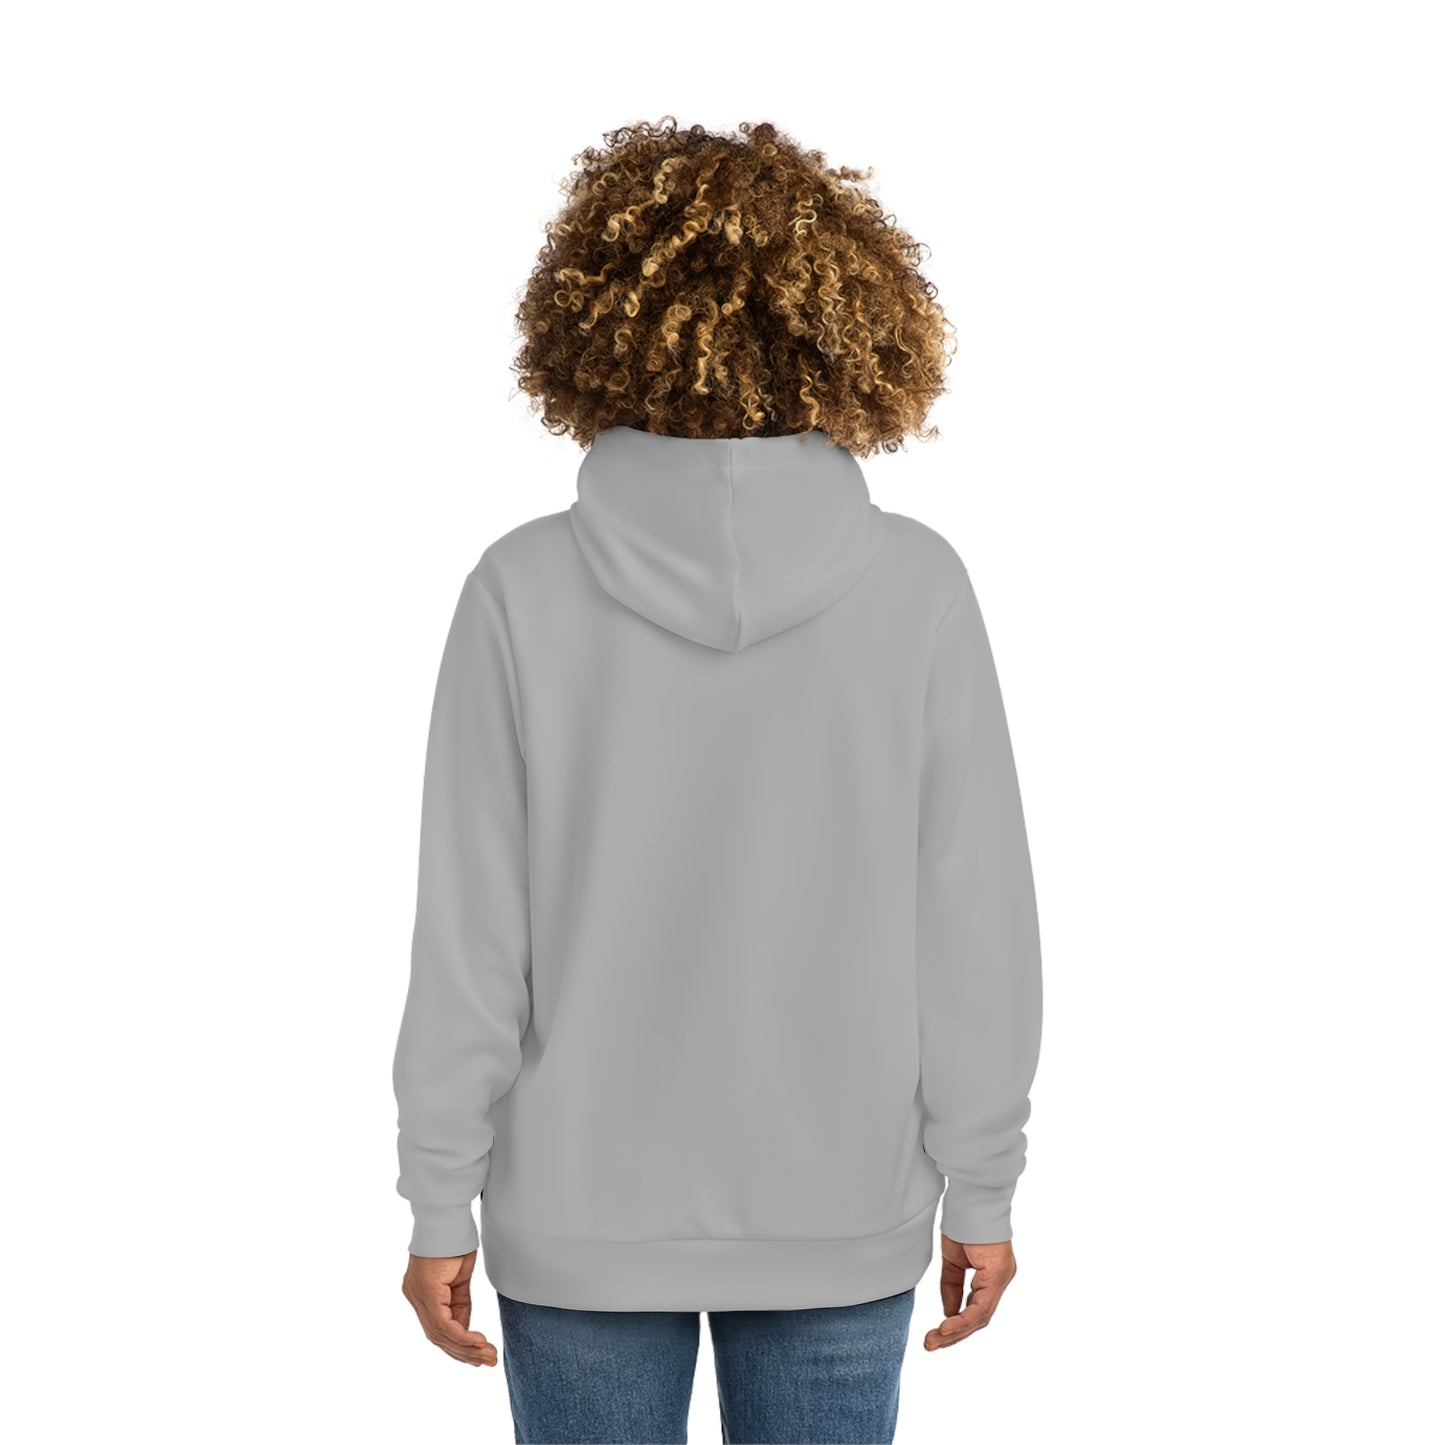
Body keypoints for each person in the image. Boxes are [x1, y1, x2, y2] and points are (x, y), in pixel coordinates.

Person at [392, 116, 1044, 1445]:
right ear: (852, 324)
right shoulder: (915, 587)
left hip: (577, 1209)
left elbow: (471, 935)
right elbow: (972, 925)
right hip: (841, 1202)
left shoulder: (522, 587)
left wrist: (438, 1195)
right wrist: (981, 1182)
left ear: (592, 323)